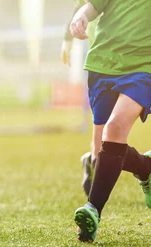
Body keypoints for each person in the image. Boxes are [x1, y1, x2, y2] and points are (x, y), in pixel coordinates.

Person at [70, 0, 151, 243]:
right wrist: (81, 15)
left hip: (142, 67)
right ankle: (146, 168)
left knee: (115, 128)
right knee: (101, 154)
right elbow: (94, 5)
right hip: (102, 64)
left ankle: (92, 209)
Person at [61, 0, 100, 197]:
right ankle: (93, 160)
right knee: (104, 128)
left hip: (131, 59)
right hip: (101, 61)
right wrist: (67, 42)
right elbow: (78, 10)